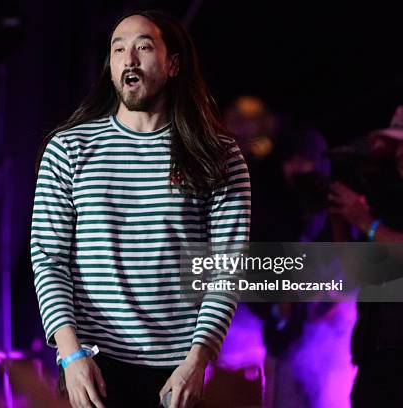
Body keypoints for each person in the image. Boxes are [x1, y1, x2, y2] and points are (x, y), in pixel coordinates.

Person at [30, 10, 251, 408]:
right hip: (94, 366)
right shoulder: (69, 149)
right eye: (118, 49)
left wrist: (197, 360)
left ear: (173, 64)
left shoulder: (217, 154)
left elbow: (227, 267)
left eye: (143, 47)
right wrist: (71, 354)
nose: (128, 58)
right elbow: (48, 257)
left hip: (177, 372)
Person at [329, 100, 403, 407]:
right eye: (394, 146)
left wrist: (363, 220)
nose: (398, 153)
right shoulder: (398, 202)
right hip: (377, 360)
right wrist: (339, 217)